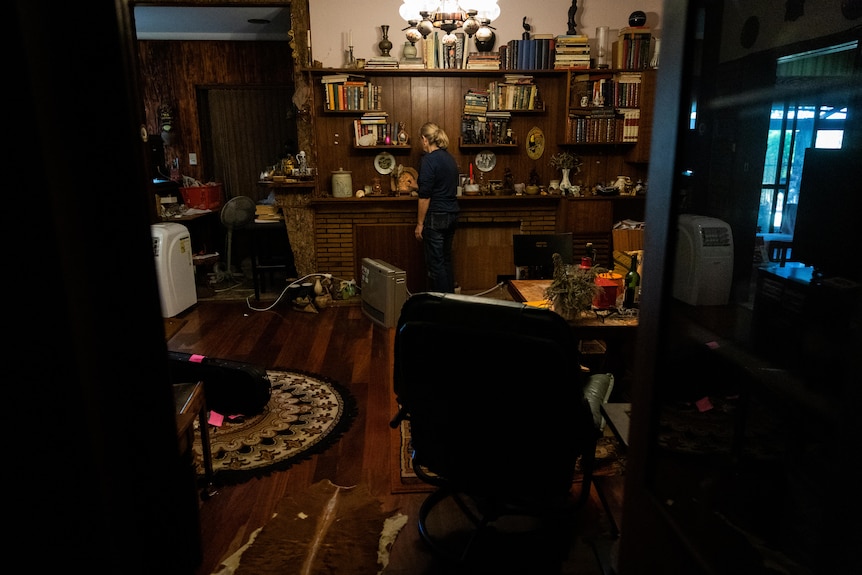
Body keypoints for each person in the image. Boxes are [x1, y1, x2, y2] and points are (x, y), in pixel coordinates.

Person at [414, 122, 460, 293]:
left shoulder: (428, 160)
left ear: (425, 139)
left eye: (421, 140)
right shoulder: (449, 158)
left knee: (436, 264)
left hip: (436, 217)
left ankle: (440, 307)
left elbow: (425, 196)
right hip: (452, 214)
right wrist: (416, 186)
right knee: (446, 260)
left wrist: (420, 224)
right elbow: (441, 186)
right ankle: (450, 303)